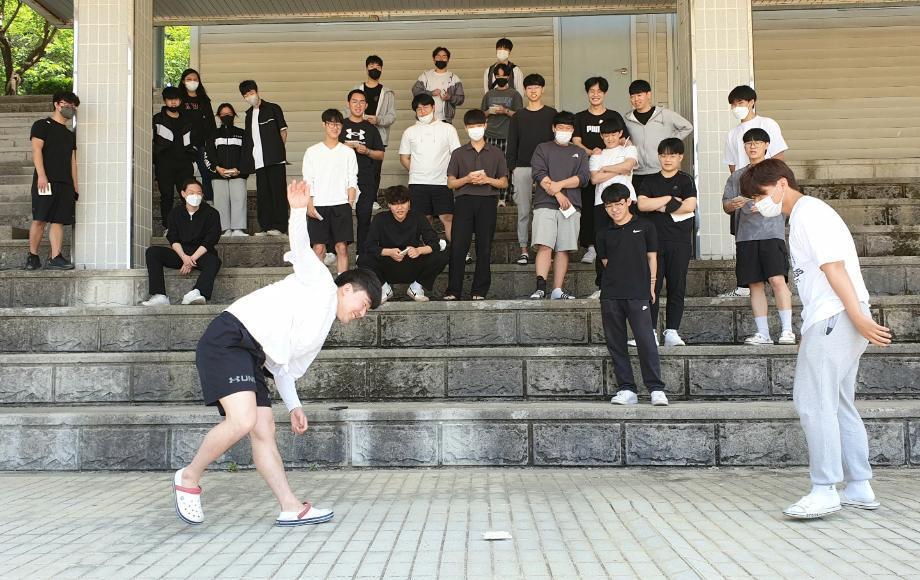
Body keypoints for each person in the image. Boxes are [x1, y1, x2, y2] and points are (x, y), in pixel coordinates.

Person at [173, 179, 382, 527]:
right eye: (364, 303)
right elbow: (300, 247)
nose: (362, 312)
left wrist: (295, 406)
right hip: (229, 336)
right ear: (347, 289)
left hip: (251, 356)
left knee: (264, 429)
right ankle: (188, 478)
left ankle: (290, 506)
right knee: (242, 420)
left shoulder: (320, 332)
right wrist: (298, 211)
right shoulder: (320, 281)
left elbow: (283, 369)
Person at [738, 159, 892, 520]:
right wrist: (852, 316)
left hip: (834, 316)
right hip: (838, 317)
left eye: (760, 195)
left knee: (813, 401)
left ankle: (825, 489)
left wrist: (856, 316)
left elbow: (833, 268)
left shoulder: (809, 214)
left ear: (781, 184)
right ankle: (859, 485)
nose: (757, 204)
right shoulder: (807, 214)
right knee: (837, 403)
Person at [723, 129, 795, 346]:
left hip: (772, 234)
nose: (752, 146)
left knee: (777, 280)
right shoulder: (736, 176)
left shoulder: (777, 171)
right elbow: (726, 205)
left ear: (767, 145)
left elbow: (789, 197)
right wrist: (733, 204)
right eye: (748, 143)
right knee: (754, 284)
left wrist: (767, 203)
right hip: (745, 236)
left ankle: (787, 330)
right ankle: (763, 333)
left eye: (757, 142)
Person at [598, 184, 668, 407]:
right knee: (616, 343)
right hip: (611, 294)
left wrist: (652, 286)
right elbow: (607, 263)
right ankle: (627, 389)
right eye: (609, 206)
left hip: (638, 292)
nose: (615, 209)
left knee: (645, 340)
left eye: (619, 204)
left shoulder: (645, 226)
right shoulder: (603, 233)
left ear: (628, 202)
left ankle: (656, 388)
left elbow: (652, 258)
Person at [720, 84, 789, 298]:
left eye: (740, 102)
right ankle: (744, 285)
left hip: (766, 190)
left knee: (771, 247)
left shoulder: (767, 123)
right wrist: (740, 187)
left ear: (752, 102)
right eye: (733, 104)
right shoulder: (732, 134)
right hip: (743, 191)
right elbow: (732, 166)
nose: (736, 107)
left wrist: (769, 189)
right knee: (742, 235)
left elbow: (778, 156)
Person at [636, 138, 697, 347]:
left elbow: (689, 206)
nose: (667, 159)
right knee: (651, 286)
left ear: (680, 157)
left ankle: (672, 331)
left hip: (679, 241)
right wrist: (668, 200)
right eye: (663, 155)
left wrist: (658, 206)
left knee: (676, 286)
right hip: (653, 242)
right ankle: (650, 331)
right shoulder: (650, 180)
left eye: (672, 155)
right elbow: (642, 205)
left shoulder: (686, 180)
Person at [445, 109, 510, 300]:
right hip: (464, 201)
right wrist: (467, 179)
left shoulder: (496, 153)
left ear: (485, 126)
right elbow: (450, 183)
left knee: (484, 247)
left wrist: (487, 180)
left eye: (479, 126)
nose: (476, 130)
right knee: (458, 246)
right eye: (472, 127)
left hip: (487, 201)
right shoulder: (458, 153)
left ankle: (479, 290)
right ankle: (453, 290)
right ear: (466, 129)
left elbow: (504, 182)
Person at [528, 111, 590, 300]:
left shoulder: (579, 152)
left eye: (568, 128)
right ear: (554, 128)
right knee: (544, 244)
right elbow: (539, 173)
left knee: (564, 248)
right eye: (561, 127)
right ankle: (540, 287)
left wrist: (560, 185)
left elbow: (583, 178)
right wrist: (557, 193)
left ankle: (557, 290)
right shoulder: (542, 148)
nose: (564, 131)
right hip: (545, 204)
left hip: (571, 206)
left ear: (573, 131)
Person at [358, 185, 449, 303]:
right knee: (363, 258)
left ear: (409, 203)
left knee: (442, 255)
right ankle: (384, 288)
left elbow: (434, 243)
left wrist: (418, 250)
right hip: (388, 265)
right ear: (389, 205)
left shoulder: (418, 217)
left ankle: (416, 287)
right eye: (395, 204)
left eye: (403, 203)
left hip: (412, 263)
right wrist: (389, 252)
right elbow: (369, 245)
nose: (399, 208)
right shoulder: (380, 219)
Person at [142, 178, 222, 306]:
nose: (195, 196)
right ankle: (160, 296)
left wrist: (191, 260)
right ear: (183, 194)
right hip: (181, 254)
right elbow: (173, 238)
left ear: (202, 195)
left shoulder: (212, 213)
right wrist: (184, 257)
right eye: (191, 193)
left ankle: (197, 293)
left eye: (199, 193)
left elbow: (211, 239)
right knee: (153, 252)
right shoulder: (175, 213)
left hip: (201, 255)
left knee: (214, 261)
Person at [573, 76, 628, 265]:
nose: (595, 94)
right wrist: (592, 152)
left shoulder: (614, 116)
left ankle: (616, 244)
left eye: (599, 91)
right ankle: (591, 247)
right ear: (587, 93)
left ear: (605, 93)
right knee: (589, 208)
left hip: (612, 172)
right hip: (589, 169)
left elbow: (624, 140)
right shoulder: (580, 117)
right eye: (592, 91)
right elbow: (576, 141)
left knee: (614, 206)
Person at [25, 91, 79, 271]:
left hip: (65, 184)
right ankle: (33, 256)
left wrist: (75, 186)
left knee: (58, 221)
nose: (71, 108)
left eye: (73, 106)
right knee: (40, 218)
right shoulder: (42, 125)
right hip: (45, 181)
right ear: (57, 104)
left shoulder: (69, 134)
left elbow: (72, 161)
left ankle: (55, 257)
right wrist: (41, 175)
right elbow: (36, 151)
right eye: (67, 104)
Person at [506, 73, 556, 266]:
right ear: (525, 91)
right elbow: (512, 143)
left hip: (547, 170)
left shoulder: (552, 114)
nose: (533, 90)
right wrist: (512, 168)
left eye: (537, 87)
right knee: (524, 211)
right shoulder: (518, 116)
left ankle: (545, 248)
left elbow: (555, 142)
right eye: (529, 88)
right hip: (522, 167)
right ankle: (524, 249)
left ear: (543, 89)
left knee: (546, 211)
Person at [302, 109, 358, 275]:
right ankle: (317, 284)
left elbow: (352, 179)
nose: (335, 127)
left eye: (338, 124)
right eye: (331, 124)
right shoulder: (312, 151)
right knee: (318, 248)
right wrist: (309, 205)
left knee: (342, 248)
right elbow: (308, 181)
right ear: (324, 125)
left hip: (341, 204)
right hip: (319, 205)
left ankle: (342, 284)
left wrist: (350, 202)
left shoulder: (348, 152)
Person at [399, 93, 461, 242]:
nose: (422, 111)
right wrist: (416, 171)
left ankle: (458, 252)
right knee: (424, 219)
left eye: (425, 107)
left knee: (448, 217)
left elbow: (457, 155)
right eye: (418, 109)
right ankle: (430, 249)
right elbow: (404, 157)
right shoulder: (409, 131)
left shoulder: (448, 129)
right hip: (418, 183)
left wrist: (450, 175)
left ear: (433, 107)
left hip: (442, 182)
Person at [587, 118, 638, 299]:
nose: (610, 138)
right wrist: (619, 169)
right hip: (602, 204)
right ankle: (603, 286)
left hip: (626, 201)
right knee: (603, 244)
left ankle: (630, 283)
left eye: (613, 134)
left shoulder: (629, 149)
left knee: (629, 242)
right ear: (601, 136)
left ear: (620, 134)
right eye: (606, 135)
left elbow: (629, 165)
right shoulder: (596, 155)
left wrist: (606, 169)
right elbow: (594, 179)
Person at [239, 80, 289, 236]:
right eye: (246, 95)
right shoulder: (248, 115)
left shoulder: (273, 108)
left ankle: (280, 226)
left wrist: (278, 151)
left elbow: (283, 132)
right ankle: (265, 226)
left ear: (257, 91)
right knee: (263, 195)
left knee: (278, 192)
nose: (250, 96)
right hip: (259, 161)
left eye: (251, 93)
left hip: (275, 159)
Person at [624, 79, 693, 193]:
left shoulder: (664, 114)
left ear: (648, 95)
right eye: (632, 96)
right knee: (640, 203)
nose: (636, 99)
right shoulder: (627, 119)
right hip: (638, 173)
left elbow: (687, 127)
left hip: (662, 170)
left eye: (639, 95)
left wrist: (668, 144)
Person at [340, 90, 385, 255]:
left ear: (366, 105)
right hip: (342, 178)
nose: (358, 105)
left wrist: (367, 151)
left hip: (366, 177)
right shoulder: (340, 125)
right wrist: (344, 147)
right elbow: (331, 147)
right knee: (340, 215)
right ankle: (336, 251)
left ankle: (362, 254)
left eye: (361, 102)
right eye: (354, 101)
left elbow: (380, 154)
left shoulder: (371, 129)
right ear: (348, 104)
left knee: (364, 215)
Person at [153, 86, 196, 233]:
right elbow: (152, 141)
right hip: (164, 164)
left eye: (176, 99)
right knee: (167, 196)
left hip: (184, 164)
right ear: (165, 101)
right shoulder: (157, 119)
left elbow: (194, 140)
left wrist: (192, 156)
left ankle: (190, 225)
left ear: (180, 100)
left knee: (189, 195)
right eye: (170, 99)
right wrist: (156, 158)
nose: (173, 102)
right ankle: (168, 227)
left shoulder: (187, 119)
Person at [480, 63, 522, 206]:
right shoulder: (489, 94)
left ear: (509, 76)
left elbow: (519, 115)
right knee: (489, 166)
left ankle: (504, 197)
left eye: (503, 76)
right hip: (490, 134)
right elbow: (481, 114)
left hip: (508, 135)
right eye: (498, 75)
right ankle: (490, 195)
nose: (500, 78)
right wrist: (489, 112)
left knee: (505, 167)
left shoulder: (514, 94)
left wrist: (505, 111)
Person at [205, 103, 249, 236]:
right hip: (218, 174)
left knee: (239, 199)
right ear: (219, 116)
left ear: (234, 115)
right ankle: (225, 229)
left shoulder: (242, 133)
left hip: (238, 174)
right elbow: (208, 154)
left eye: (229, 114)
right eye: (223, 114)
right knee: (220, 202)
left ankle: (238, 229)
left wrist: (240, 169)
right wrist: (217, 168)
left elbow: (247, 154)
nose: (226, 116)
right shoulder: (213, 134)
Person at [354, 55, 397, 188]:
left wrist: (378, 120)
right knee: (356, 169)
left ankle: (373, 197)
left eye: (378, 67)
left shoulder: (387, 92)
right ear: (366, 68)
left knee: (375, 171)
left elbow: (392, 116)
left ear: (382, 69)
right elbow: (348, 111)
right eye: (371, 66)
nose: (375, 69)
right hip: (358, 134)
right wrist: (360, 118)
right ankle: (356, 196)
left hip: (379, 136)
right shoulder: (357, 90)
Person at [178, 68, 216, 202]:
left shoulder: (204, 100)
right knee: (185, 175)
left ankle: (209, 202)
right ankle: (187, 203)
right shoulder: (179, 99)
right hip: (183, 145)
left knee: (207, 173)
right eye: (189, 79)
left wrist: (211, 142)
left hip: (202, 144)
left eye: (195, 79)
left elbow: (211, 123)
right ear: (183, 81)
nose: (192, 82)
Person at [412, 47, 465, 124]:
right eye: (438, 56)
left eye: (444, 57)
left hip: (445, 119)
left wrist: (449, 97)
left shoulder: (454, 78)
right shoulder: (425, 76)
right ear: (433, 59)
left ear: (448, 60)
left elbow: (461, 99)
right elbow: (415, 92)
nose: (441, 59)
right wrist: (431, 93)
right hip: (425, 117)